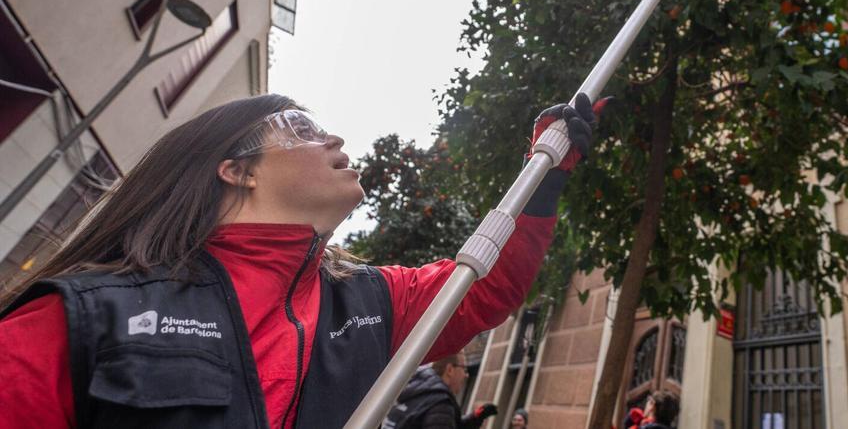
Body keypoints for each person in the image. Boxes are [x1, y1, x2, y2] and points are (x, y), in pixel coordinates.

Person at [0, 92, 604, 428]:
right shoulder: (85, 320)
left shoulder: (371, 300)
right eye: (300, 129)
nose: (335, 140)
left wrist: (542, 179)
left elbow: (481, 287)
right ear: (237, 170)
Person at [382, 350, 497, 429]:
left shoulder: (418, 389)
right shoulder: (440, 403)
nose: (466, 375)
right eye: (464, 369)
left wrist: (475, 417)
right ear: (450, 370)